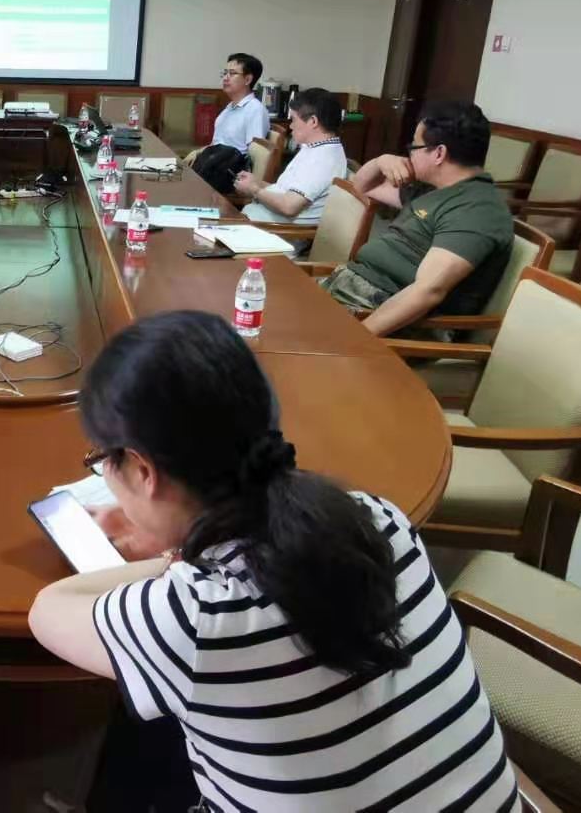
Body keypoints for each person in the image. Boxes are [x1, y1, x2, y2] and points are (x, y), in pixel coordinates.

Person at [28, 311, 520, 812]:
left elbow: (48, 609)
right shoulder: (378, 520)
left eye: (102, 461)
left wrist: (169, 558)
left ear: (142, 470)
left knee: (157, 701)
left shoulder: (194, 622)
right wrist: (179, 544)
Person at [320, 102, 513, 338]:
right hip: (350, 288)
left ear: (439, 153)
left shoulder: (477, 210)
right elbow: (362, 187)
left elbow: (427, 291)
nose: (409, 154)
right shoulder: (432, 189)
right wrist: (381, 161)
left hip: (385, 314)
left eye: (414, 146)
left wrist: (356, 339)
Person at [233, 86, 348, 224]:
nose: (291, 126)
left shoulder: (323, 159)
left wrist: (254, 189)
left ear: (313, 121)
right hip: (257, 220)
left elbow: (289, 206)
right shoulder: (315, 148)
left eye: (293, 120)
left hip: (273, 230)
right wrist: (257, 183)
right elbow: (285, 191)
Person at [181, 52, 271, 193]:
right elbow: (217, 144)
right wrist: (198, 152)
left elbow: (254, 154)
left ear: (248, 79)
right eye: (225, 73)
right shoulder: (229, 108)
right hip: (214, 166)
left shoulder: (255, 109)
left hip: (230, 174)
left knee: (183, 187)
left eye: (232, 73)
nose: (225, 78)